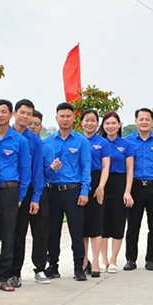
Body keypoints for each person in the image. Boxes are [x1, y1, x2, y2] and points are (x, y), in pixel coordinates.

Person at [41, 102, 91, 282]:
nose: (65, 119)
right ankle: (52, 266)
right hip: (53, 191)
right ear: (56, 118)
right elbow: (44, 172)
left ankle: (79, 267)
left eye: (68, 116)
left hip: (73, 191)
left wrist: (84, 191)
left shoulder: (81, 141)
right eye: (61, 116)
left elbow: (86, 168)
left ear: (73, 118)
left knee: (76, 231)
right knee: (52, 231)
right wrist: (52, 169)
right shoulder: (47, 142)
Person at [0, 99, 30, 292]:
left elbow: (25, 172)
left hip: (10, 191)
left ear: (11, 114)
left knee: (8, 235)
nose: (0, 115)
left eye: (4, 111)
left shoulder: (20, 141)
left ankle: (3, 276)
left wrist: (20, 197)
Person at [123, 108, 153, 271]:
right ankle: (130, 259)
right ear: (136, 121)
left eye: (147, 119)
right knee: (133, 226)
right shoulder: (128, 141)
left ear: (152, 122)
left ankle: (151, 259)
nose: (144, 122)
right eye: (141, 119)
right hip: (136, 186)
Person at [11, 99, 47, 285]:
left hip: (29, 190)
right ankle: (4, 271)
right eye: (22, 113)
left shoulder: (35, 140)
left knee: (29, 232)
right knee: (10, 233)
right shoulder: (4, 135)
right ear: (15, 113)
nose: (25, 117)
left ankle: (36, 269)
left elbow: (37, 171)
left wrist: (36, 197)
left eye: (29, 114)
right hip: (8, 190)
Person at [79, 110, 112, 278]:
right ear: (81, 123)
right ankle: (84, 261)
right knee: (83, 224)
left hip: (98, 180)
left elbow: (106, 166)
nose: (90, 123)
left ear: (97, 123)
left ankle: (96, 262)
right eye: (87, 120)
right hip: (80, 183)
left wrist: (101, 186)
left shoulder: (103, 142)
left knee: (97, 223)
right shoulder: (77, 140)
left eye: (93, 120)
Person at [100, 111, 134, 273]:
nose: (110, 126)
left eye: (114, 123)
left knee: (118, 222)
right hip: (102, 185)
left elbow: (130, 171)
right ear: (103, 126)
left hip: (119, 184)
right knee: (102, 223)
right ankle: (104, 259)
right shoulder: (100, 143)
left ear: (119, 125)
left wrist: (127, 192)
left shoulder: (126, 145)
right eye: (107, 123)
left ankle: (113, 260)